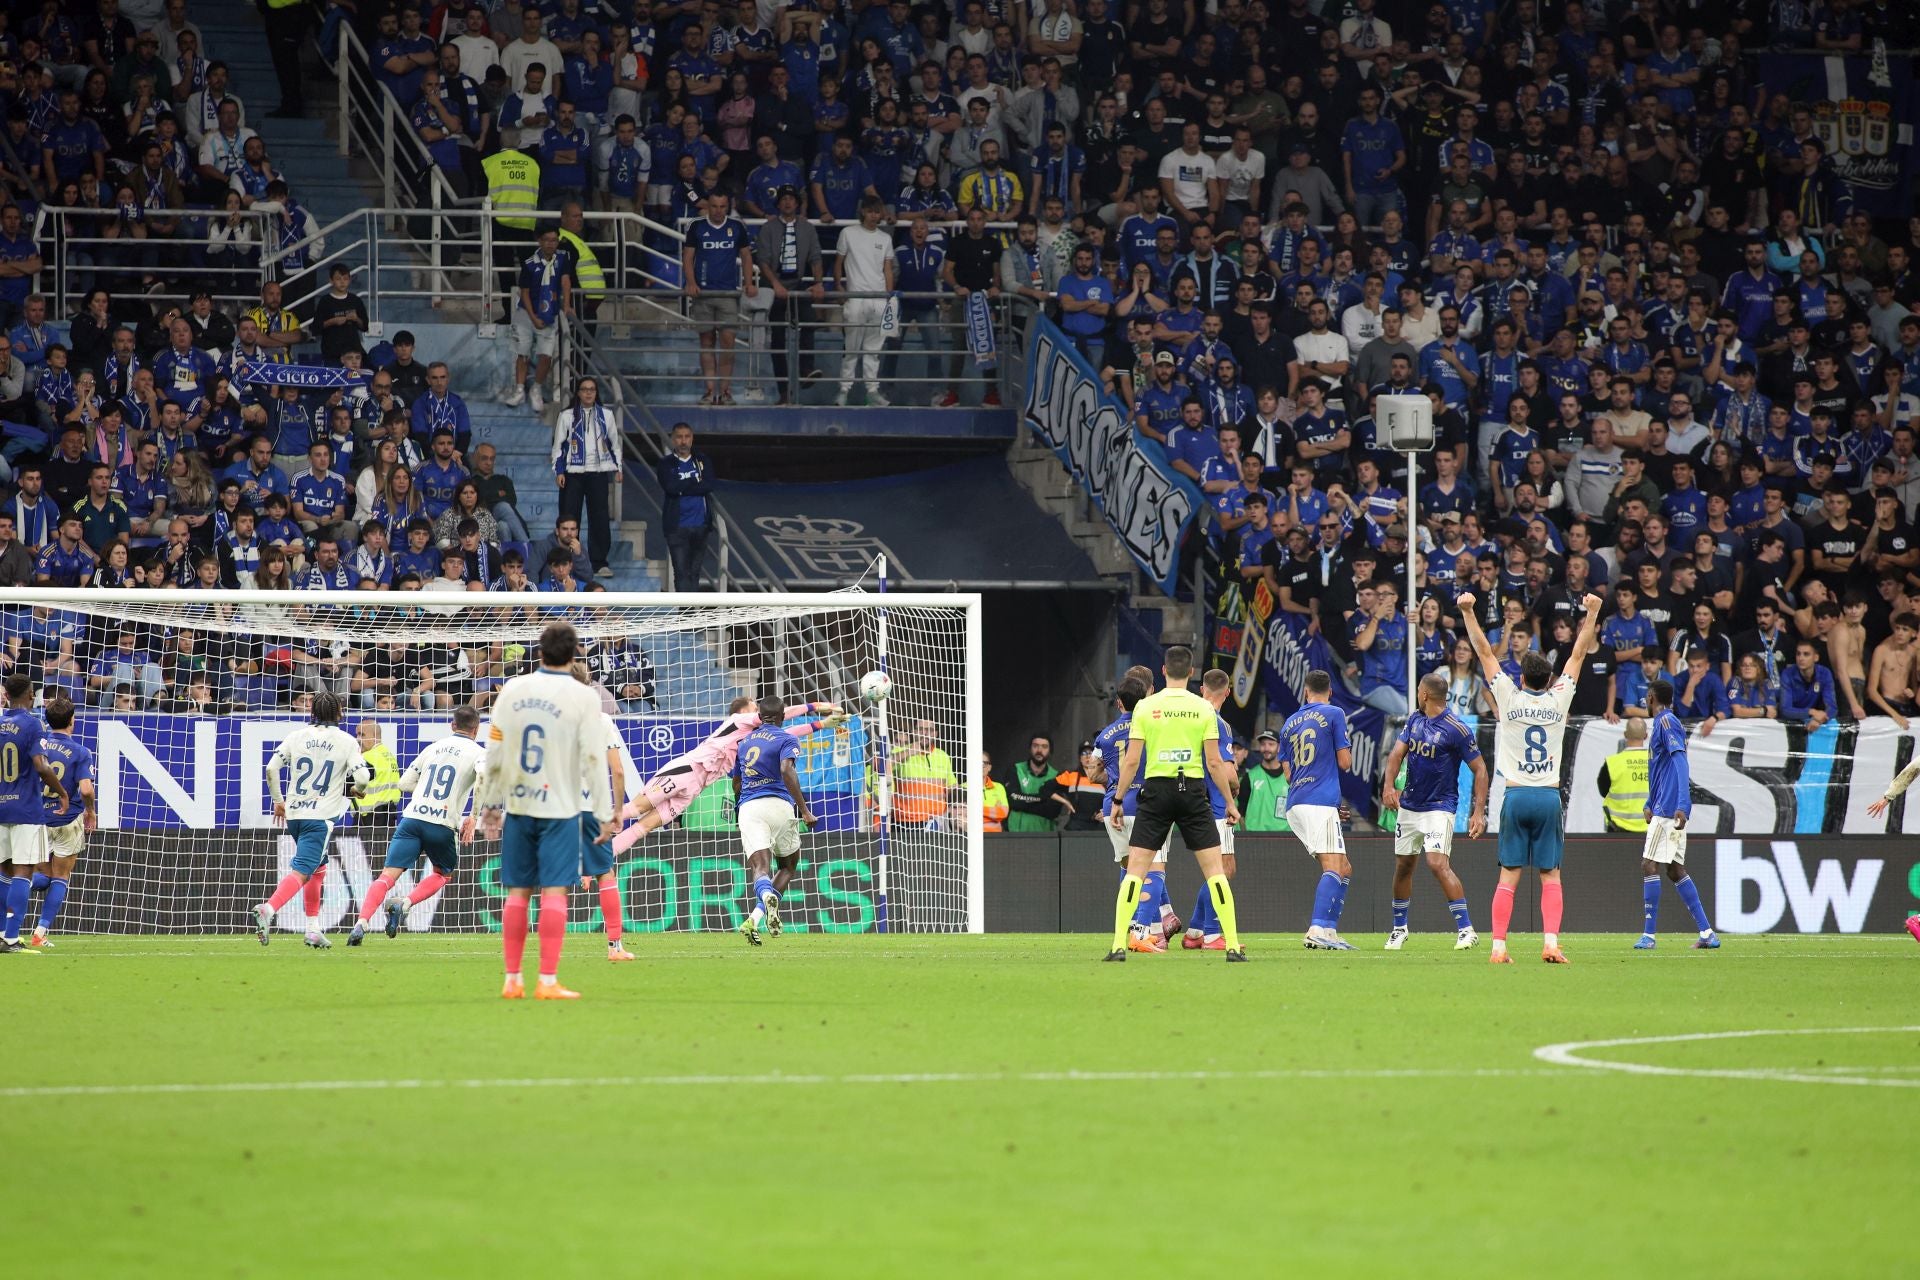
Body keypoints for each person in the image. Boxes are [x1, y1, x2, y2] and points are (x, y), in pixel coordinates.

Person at [1457, 587, 1603, 964]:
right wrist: (1592, 612)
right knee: (1550, 876)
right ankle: (1551, 943)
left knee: (1508, 876)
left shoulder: (1509, 696)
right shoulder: (1560, 698)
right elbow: (1579, 651)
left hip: (1516, 795)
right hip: (1548, 797)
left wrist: (1469, 611)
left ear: (1521, 677)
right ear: (1551, 679)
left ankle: (1498, 947)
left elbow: (1485, 652)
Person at [478, 622, 615, 999]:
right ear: (573, 657)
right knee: (554, 891)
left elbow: (495, 752)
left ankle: (511, 979)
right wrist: (606, 812)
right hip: (561, 808)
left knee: (518, 893)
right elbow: (592, 758)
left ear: (539, 651)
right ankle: (548, 981)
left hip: (520, 805)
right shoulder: (584, 698)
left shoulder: (513, 689)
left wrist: (489, 804)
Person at [1104, 645, 1245, 962]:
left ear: (1164, 671)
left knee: (1136, 872)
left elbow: (1131, 762)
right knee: (1215, 872)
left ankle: (1117, 946)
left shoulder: (1146, 707)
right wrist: (1230, 803)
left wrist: (1117, 799)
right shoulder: (1203, 709)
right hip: (1193, 792)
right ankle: (1232, 946)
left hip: (1156, 792)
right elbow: (1214, 762)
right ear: (1192, 673)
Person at [613, 696, 841, 850]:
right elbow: (781, 713)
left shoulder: (757, 737)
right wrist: (814, 706)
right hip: (688, 768)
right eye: (755, 704)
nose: (759, 707)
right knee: (637, 808)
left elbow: (789, 731)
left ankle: (604, 855)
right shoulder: (738, 720)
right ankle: (591, 826)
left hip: (697, 787)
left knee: (645, 826)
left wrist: (822, 724)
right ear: (746, 712)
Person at [346, 705, 489, 946]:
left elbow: (403, 784)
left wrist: (424, 791)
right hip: (442, 823)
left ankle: (362, 922)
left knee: (386, 876)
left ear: (452, 725)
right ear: (476, 730)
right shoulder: (478, 752)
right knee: (442, 874)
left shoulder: (432, 748)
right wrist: (473, 816)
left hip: (412, 819)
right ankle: (406, 903)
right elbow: (483, 778)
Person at [252, 691, 372, 949]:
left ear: (312, 712)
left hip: (295, 814)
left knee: (318, 868)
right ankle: (269, 908)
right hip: (320, 818)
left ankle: (313, 929)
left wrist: (278, 801)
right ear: (340, 712)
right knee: (303, 871)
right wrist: (354, 789)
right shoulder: (346, 741)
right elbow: (363, 778)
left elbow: (272, 768)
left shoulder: (296, 737)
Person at [1378, 672, 1488, 952]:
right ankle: (1399, 929)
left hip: (1440, 807)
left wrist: (1478, 812)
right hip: (1410, 806)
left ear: (1425, 694)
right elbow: (1395, 755)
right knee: (1403, 866)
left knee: (1437, 864)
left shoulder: (1457, 728)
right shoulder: (1415, 720)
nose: (1417, 693)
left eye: (1418, 690)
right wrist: (1388, 786)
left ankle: (1467, 930)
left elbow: (1480, 770)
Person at [1094, 670, 1181, 948]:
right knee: (1154, 869)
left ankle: (1147, 926)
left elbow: (1094, 772)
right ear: (1148, 697)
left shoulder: (1105, 735)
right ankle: (1142, 929)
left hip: (1113, 806)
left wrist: (1117, 785)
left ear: (1119, 702)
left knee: (1131, 869)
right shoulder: (1155, 728)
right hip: (1148, 804)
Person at [1634, 678, 1721, 951]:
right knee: (1674, 869)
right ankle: (1707, 932)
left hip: (1669, 808)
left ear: (1650, 697)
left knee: (1649, 865)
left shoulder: (1666, 722)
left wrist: (1683, 804)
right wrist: (1650, 800)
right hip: (1663, 804)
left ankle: (1649, 935)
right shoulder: (1662, 723)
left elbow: (1680, 761)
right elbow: (1662, 770)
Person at [1276, 668, 1355, 951]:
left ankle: (1330, 930)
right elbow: (1345, 762)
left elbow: (1287, 774)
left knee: (1344, 867)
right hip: (1318, 801)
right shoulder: (1334, 713)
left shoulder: (1288, 724)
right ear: (1330, 692)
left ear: (1305, 691)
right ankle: (1316, 928)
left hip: (1297, 802)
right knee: (1333, 866)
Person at [732, 693, 814, 946]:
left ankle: (758, 911)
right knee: (788, 866)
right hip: (779, 806)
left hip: (749, 806)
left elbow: (736, 783)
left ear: (759, 717)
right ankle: (763, 909)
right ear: (781, 717)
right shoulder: (787, 738)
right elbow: (786, 770)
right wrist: (804, 810)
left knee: (760, 869)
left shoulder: (744, 743)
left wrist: (741, 810)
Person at [14, 696, 95, 948]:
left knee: (38, 876)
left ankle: (10, 898)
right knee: (60, 877)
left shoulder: (35, 745)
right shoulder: (81, 752)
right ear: (72, 721)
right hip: (67, 820)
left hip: (37, 819)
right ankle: (39, 933)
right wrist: (90, 811)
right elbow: (85, 789)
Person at [0, 679, 73, 952]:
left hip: (1, 806)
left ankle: (0, 932)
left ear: (6, 694)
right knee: (23, 871)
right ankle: (10, 937)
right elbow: (41, 766)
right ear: (31, 696)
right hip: (26, 809)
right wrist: (62, 793)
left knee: (3, 870)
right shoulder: (32, 724)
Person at [572, 663, 636, 962]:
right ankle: (614, 947)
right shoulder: (601, 720)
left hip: (555, 806)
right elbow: (618, 771)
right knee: (605, 874)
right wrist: (619, 811)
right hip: (593, 808)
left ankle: (548, 953)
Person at [550, 375, 620, 579]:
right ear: (578, 393)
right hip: (572, 474)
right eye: (584, 389)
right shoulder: (567, 416)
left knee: (599, 517)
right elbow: (558, 446)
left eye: (592, 389)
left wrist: (619, 468)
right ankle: (566, 559)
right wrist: (559, 471)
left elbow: (615, 443)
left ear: (596, 393)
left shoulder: (606, 415)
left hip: (598, 472)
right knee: (569, 515)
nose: (588, 392)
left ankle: (599, 562)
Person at [656, 421, 713, 590]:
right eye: (679, 437)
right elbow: (671, 488)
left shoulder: (703, 460)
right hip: (677, 528)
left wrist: (683, 486)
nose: (683, 441)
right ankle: (684, 615)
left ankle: (691, 616)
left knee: (694, 573)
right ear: (673, 440)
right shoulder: (665, 464)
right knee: (681, 573)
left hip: (701, 526)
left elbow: (709, 484)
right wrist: (695, 481)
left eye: (687, 437)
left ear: (692, 438)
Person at [1597, 719, 1650, 834]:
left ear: (1625, 735)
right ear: (1646, 736)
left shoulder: (1612, 763)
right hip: (1651, 828)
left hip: (1619, 829)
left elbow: (1602, 791)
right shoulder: (1658, 763)